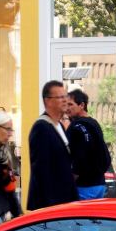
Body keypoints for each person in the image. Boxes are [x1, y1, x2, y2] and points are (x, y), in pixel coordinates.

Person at [26, 80, 77, 211]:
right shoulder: (41, 128)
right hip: (51, 206)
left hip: (64, 202)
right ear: (47, 101)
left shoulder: (59, 125)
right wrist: (51, 208)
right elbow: (41, 171)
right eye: (60, 97)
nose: (65, 100)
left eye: (66, 96)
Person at [66, 88, 112, 200]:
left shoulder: (77, 127)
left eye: (70, 104)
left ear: (81, 105)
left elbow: (80, 158)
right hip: (99, 185)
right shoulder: (94, 124)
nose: (67, 108)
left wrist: (70, 181)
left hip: (84, 186)